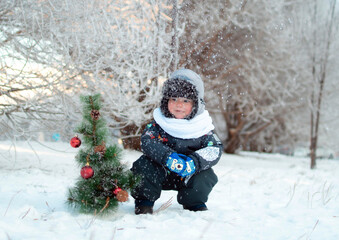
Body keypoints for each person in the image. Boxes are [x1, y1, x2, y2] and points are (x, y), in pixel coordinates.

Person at [131, 69, 223, 214]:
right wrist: (167, 157)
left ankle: (194, 202)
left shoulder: (202, 127)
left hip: (188, 174)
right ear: (166, 100)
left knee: (206, 175)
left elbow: (214, 148)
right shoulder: (159, 124)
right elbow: (148, 141)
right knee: (143, 166)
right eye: (174, 99)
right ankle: (144, 201)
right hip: (161, 171)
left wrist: (195, 162)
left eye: (186, 100)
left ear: (196, 104)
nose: (179, 104)